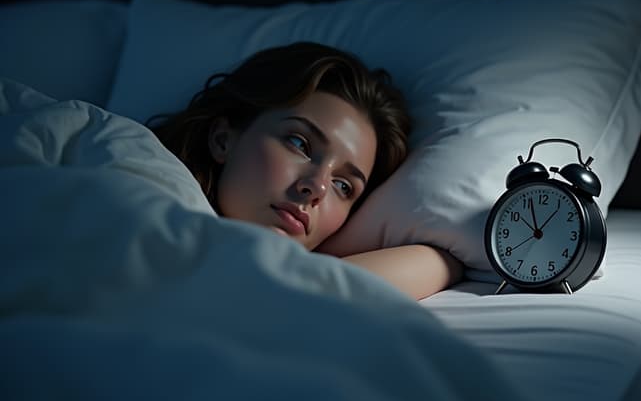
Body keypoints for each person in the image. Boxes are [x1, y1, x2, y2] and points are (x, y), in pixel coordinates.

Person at [149, 41, 463, 300]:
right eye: (299, 143)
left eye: (344, 186)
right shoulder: (132, 172)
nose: (318, 187)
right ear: (223, 140)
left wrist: (447, 261)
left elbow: (298, 288)